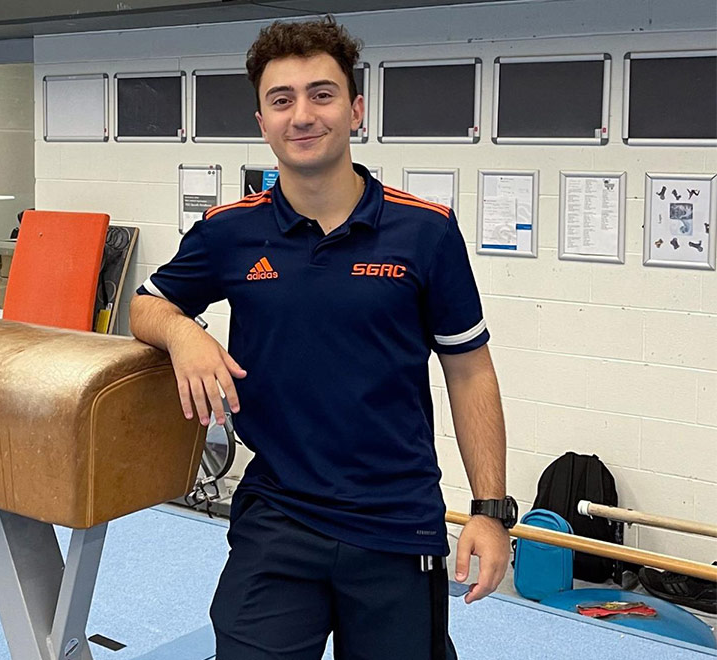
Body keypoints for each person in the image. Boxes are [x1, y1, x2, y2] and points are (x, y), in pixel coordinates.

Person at [129, 17, 515, 660]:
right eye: (282, 100)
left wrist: (490, 511)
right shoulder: (230, 231)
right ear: (261, 120)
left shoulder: (426, 231)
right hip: (279, 517)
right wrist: (182, 333)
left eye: (322, 94)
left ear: (356, 110)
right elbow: (147, 306)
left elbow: (470, 370)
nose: (302, 114)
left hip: (396, 522)